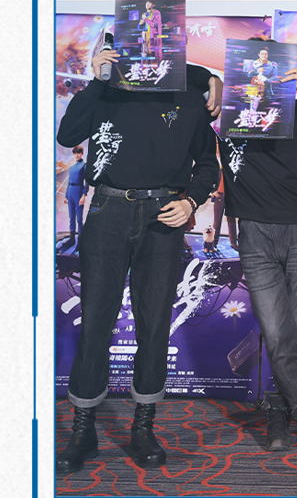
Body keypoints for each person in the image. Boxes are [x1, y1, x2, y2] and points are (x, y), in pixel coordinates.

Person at [55, 47, 223, 472]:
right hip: (107, 211)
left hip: (163, 216)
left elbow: (208, 164)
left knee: (154, 323)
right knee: (96, 321)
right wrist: (96, 81)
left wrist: (191, 201)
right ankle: (83, 429)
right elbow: (68, 135)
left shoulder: (188, 93)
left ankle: (143, 426)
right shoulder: (108, 87)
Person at [215, 38, 297, 452]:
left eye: (264, 58)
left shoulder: (288, 104)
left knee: (296, 329)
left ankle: (278, 409)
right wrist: (213, 86)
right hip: (255, 230)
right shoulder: (226, 108)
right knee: (276, 330)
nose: (257, 64)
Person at [64, 145, 89, 248]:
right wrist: (66, 195)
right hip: (70, 191)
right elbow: (69, 182)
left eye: (79, 153)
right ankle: (72, 240)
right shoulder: (72, 167)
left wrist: (84, 195)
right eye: (75, 153)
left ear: (82, 154)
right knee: (71, 218)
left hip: (78, 191)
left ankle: (80, 241)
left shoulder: (84, 165)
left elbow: (87, 181)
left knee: (79, 218)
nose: (77, 155)